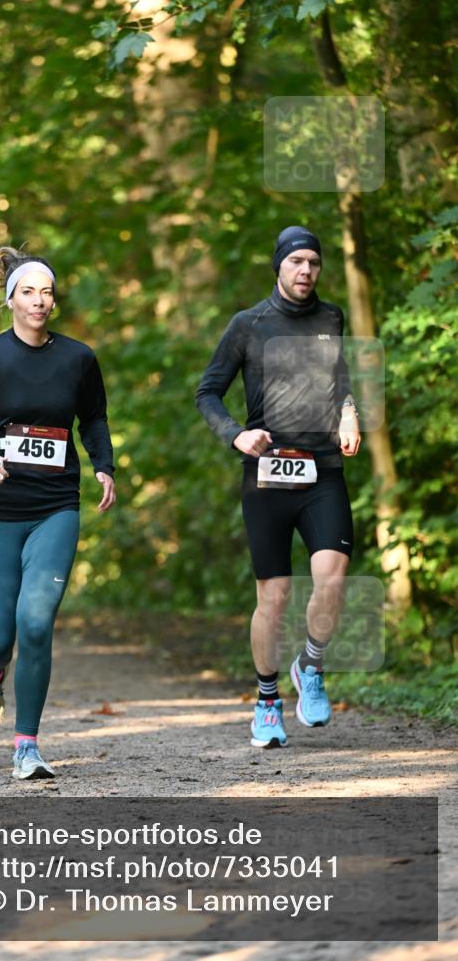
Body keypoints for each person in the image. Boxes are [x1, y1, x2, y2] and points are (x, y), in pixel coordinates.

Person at [0, 244, 116, 779]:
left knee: (35, 621)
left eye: (48, 293)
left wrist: (104, 464)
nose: (40, 301)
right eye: (30, 292)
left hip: (55, 506)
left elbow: (95, 419)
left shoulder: (78, 359)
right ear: (11, 299)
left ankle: (27, 745)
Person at [196, 226, 361, 749]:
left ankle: (309, 666)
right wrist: (236, 434)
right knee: (275, 596)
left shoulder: (331, 317)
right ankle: (267, 702)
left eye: (313, 262)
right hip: (267, 474)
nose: (306, 271)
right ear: (279, 267)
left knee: (332, 579)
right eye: (296, 262)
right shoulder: (249, 325)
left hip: (323, 471)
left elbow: (342, 382)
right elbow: (208, 393)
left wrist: (350, 414)